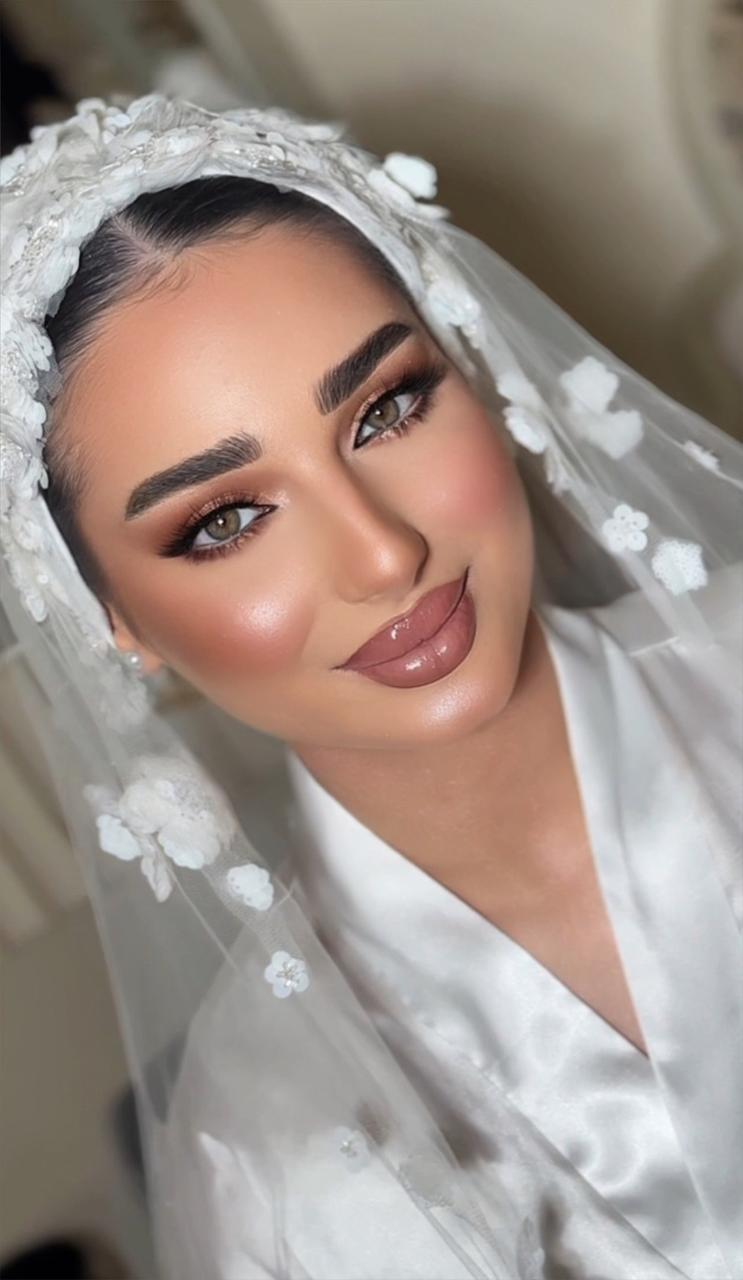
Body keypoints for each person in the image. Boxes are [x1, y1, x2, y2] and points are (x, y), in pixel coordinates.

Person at [1, 96, 741, 1280]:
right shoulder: (268, 1153)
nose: (382, 553)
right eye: (225, 519)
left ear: (471, 367)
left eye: (385, 408)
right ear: (115, 620)